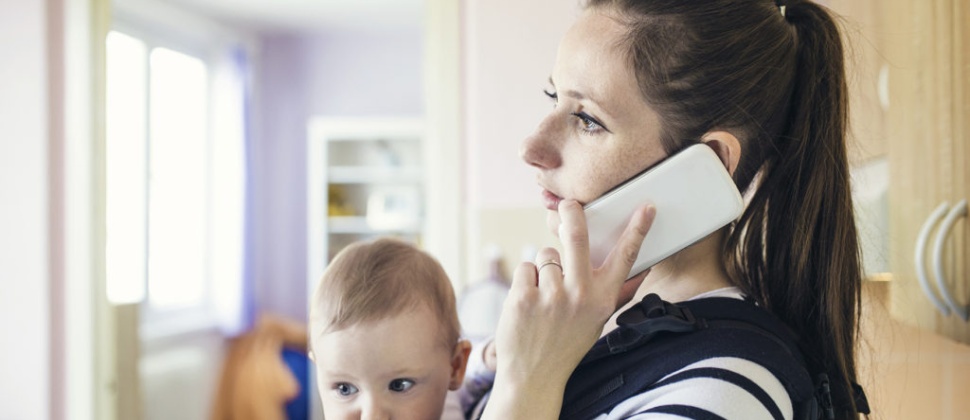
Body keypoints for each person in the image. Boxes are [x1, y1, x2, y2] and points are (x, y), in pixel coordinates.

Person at [480, 0, 868, 419]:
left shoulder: (725, 393)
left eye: (588, 119)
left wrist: (526, 380)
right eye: (552, 96)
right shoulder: (577, 324)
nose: (530, 148)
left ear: (711, 163)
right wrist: (497, 359)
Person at [308, 237, 478, 419]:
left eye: (399, 385)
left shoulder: (450, 400)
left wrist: (488, 358)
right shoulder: (433, 375)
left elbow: (475, 382)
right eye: (345, 389)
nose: (371, 416)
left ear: (455, 366)